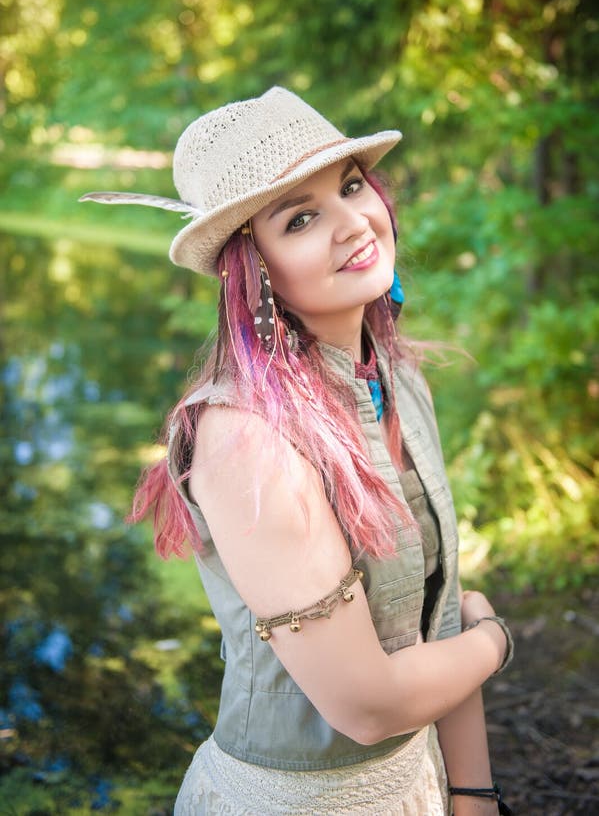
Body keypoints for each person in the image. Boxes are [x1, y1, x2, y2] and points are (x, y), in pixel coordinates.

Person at [81, 86, 514, 815]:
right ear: (252, 270)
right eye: (302, 217)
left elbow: (441, 617)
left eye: (350, 186)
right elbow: (366, 705)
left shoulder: (402, 381)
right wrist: (496, 641)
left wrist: (471, 795)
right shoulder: (246, 439)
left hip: (420, 785)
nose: (353, 223)